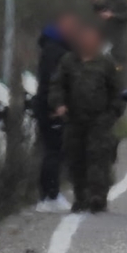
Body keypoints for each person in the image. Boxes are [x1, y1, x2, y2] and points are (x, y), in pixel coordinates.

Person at [48, 26, 125, 214]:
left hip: (100, 119)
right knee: (76, 158)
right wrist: (59, 104)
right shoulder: (68, 62)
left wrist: (112, 113)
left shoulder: (106, 64)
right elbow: (57, 86)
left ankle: (98, 196)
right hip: (74, 119)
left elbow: (118, 92)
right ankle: (80, 196)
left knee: (99, 157)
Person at [32, 12, 80, 213]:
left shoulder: (57, 48)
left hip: (50, 107)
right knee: (54, 152)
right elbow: (51, 83)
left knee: (55, 151)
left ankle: (50, 194)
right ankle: (49, 196)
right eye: (71, 28)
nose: (74, 32)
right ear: (62, 28)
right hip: (51, 109)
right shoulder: (54, 52)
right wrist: (55, 107)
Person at [96, 0, 127, 65]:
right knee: (103, 55)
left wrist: (112, 15)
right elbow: (100, 7)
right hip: (107, 35)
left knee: (115, 59)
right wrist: (96, 0)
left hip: (118, 37)